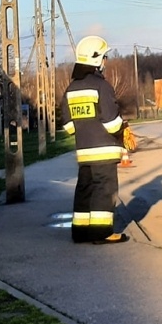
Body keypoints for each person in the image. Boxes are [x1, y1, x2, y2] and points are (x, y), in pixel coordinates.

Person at [61, 35, 129, 244]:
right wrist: (123, 128)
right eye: (105, 57)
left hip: (84, 151)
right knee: (104, 188)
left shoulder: (71, 88)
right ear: (96, 59)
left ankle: (80, 232)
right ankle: (101, 233)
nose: (106, 61)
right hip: (104, 150)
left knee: (84, 188)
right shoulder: (102, 86)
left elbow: (68, 126)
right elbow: (111, 123)